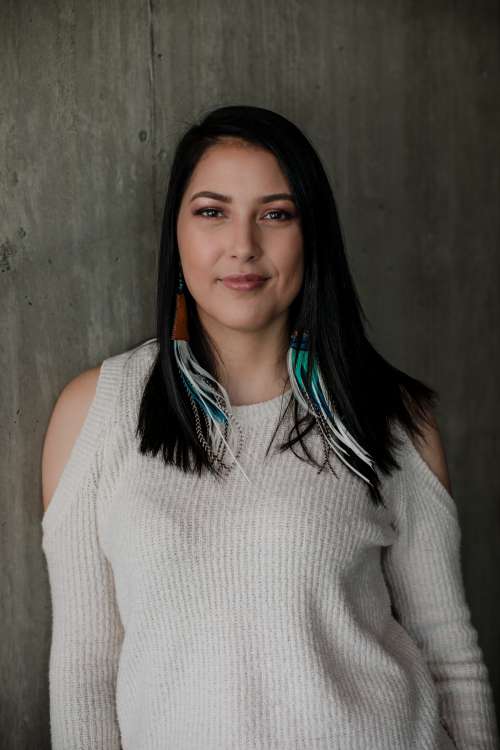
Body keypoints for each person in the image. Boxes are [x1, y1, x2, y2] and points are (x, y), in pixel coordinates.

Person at [40, 105, 499, 749]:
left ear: (311, 233)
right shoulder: (96, 412)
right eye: (212, 211)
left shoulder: (390, 415)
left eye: (276, 214)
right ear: (176, 232)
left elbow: (451, 656)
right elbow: (85, 678)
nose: (243, 245)